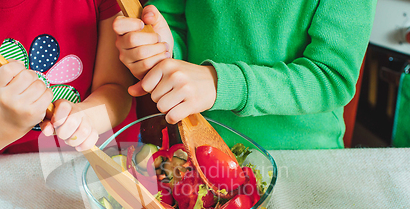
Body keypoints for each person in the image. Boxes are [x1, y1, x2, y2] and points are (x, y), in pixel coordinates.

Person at [113, 0, 377, 149]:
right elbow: (173, 24)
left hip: (302, 158)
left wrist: (221, 84)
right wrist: (161, 51)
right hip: (196, 150)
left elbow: (331, 77)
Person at [0, 0, 136, 161]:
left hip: (114, 156)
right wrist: (7, 123)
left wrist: (85, 118)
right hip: (14, 171)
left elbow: (116, 88)